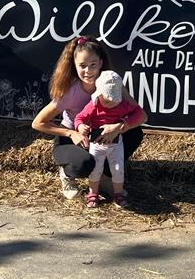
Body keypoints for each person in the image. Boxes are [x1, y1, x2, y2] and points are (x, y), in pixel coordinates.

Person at [31, 36, 144, 200]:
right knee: (84, 164)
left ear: (101, 63)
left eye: (93, 65)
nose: (88, 71)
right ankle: (67, 174)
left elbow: (141, 115)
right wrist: (71, 133)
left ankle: (104, 176)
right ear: (74, 65)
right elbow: (37, 123)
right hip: (72, 138)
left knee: (135, 133)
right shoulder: (70, 92)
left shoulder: (112, 85)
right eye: (82, 66)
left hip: (101, 136)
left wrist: (119, 127)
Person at [74, 70, 147, 209]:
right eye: (107, 100)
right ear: (99, 94)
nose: (110, 104)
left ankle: (118, 194)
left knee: (118, 169)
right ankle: (93, 193)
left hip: (116, 143)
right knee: (95, 169)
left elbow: (139, 114)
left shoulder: (123, 105)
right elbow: (79, 117)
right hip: (97, 143)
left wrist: (124, 123)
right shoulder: (94, 104)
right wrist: (80, 126)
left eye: (114, 101)